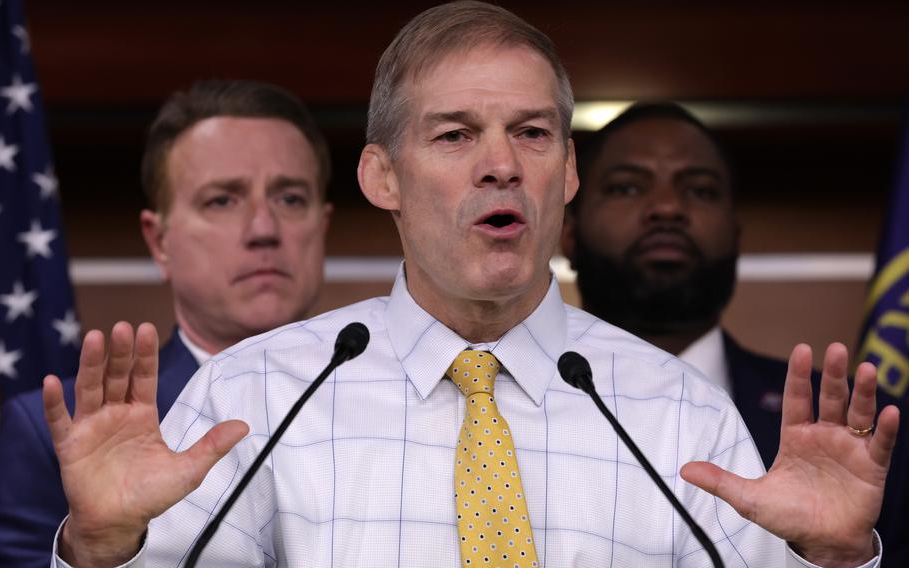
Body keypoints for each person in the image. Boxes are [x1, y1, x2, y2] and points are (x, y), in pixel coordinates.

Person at [45, 3, 898, 567]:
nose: (501, 165)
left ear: (566, 172)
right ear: (382, 177)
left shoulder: (682, 415)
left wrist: (834, 563)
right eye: (455, 136)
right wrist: (100, 550)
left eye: (531, 133)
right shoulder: (257, 398)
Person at [0, 79, 333, 567]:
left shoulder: (392, 402)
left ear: (320, 227)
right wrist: (94, 550)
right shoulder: (51, 431)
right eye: (223, 200)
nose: (264, 230)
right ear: (159, 242)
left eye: (290, 198)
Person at [560, 101, 909, 564]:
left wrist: (836, 557)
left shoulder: (862, 428)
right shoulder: (499, 407)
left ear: (735, 232)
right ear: (568, 233)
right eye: (626, 187)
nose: (667, 208)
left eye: (700, 191)